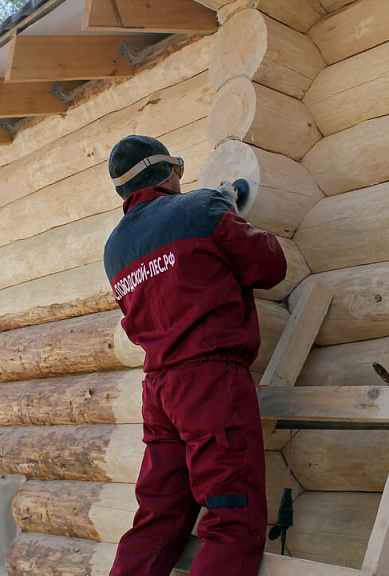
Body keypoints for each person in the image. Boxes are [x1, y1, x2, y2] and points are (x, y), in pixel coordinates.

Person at [103, 135, 287, 576]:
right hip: (211, 386)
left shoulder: (114, 250)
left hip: (159, 394)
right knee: (233, 523)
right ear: (168, 173)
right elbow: (270, 265)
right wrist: (224, 211)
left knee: (156, 521)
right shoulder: (202, 209)